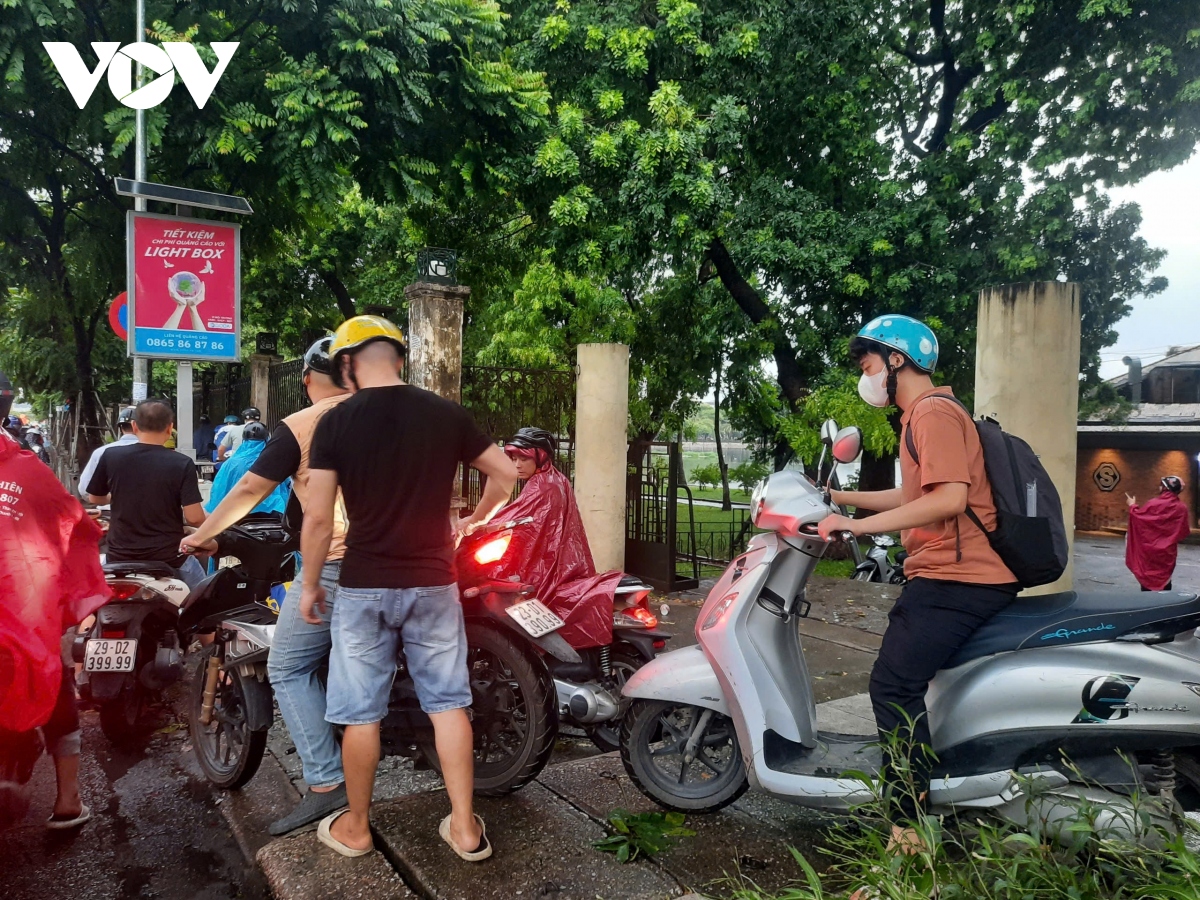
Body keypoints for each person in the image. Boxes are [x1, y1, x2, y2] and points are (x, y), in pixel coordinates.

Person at [300, 315, 517, 859]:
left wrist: (308, 584)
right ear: (399, 357)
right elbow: (506, 473)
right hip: (433, 583)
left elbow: (320, 520)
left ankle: (355, 827)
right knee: (448, 705)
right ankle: (465, 828)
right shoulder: (446, 414)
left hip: (364, 586)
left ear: (346, 363)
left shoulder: (336, 421)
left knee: (359, 713)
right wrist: (472, 521)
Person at [817, 315, 1017, 856]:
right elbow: (912, 498)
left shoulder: (932, 413)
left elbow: (949, 498)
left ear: (895, 361)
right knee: (903, 684)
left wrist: (854, 528)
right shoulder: (920, 417)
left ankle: (909, 834)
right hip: (948, 574)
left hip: (958, 578)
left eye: (867, 366)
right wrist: (838, 502)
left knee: (892, 685)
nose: (866, 378)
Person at [182, 337, 352, 835]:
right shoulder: (393, 416)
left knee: (289, 663)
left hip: (340, 561)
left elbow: (253, 490)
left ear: (306, 379)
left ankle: (325, 782)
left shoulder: (302, 425)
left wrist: (202, 534)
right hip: (416, 563)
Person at [0, 426, 108, 830]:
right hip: (22, 612)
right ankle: (67, 799)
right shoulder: (28, 470)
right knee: (55, 685)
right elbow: (73, 521)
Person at [498, 427, 621, 648]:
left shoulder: (541, 486)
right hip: (562, 561)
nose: (517, 464)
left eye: (523, 458)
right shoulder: (557, 479)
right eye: (514, 458)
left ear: (540, 456)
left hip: (545, 566)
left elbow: (513, 517)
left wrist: (477, 526)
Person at [84, 399, 208, 589]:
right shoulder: (182, 463)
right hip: (169, 558)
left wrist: (115, 497)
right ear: (170, 428)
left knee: (96, 603)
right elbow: (194, 518)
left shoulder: (111, 456)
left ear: (134, 426)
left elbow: (94, 498)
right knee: (204, 597)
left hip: (119, 556)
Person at [204, 421, 290, 515]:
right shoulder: (276, 461)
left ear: (244, 439)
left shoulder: (231, 463)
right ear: (267, 439)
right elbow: (288, 487)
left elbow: (218, 490)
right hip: (273, 514)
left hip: (235, 516)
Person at [1126, 476, 1191, 591]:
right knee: (1165, 582)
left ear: (1165, 488)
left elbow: (1139, 518)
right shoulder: (1182, 508)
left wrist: (1132, 505)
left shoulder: (1153, 504)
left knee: (1146, 587)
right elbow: (1183, 532)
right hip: (1167, 554)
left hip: (1149, 552)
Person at [78, 407, 139, 502]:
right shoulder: (156, 454)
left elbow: (85, 490)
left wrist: (112, 498)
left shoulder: (102, 452)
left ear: (121, 428)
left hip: (110, 512)